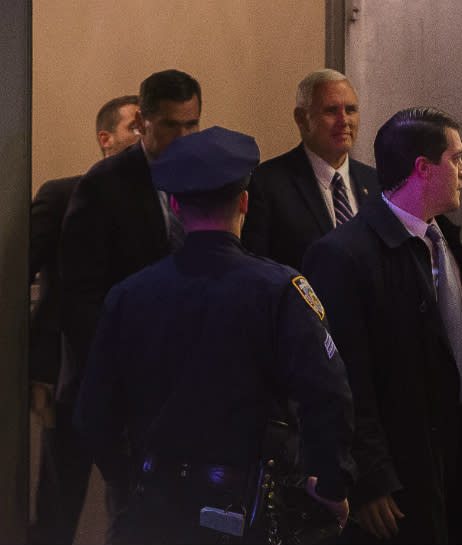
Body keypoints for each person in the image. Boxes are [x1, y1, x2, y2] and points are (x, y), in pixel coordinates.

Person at [73, 126, 355, 545]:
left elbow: (92, 414)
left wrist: (130, 476)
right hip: (248, 512)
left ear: (174, 205)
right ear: (244, 201)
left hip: (153, 509)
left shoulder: (128, 295)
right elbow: (327, 395)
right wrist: (332, 486)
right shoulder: (281, 290)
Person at [302, 107, 462, 544]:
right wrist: (369, 477)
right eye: (455, 159)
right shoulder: (344, 255)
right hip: (402, 476)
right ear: (423, 168)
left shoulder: (460, 246)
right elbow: (343, 381)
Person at [58, 69, 200, 541]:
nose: (182, 138)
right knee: (137, 517)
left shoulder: (204, 176)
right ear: (142, 122)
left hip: (192, 380)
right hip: (128, 385)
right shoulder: (104, 184)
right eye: (170, 126)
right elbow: (79, 295)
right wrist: (116, 371)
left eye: (191, 125)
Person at [28, 94, 139, 545]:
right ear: (105, 138)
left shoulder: (163, 201)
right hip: (70, 374)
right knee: (59, 499)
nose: (144, 131)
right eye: (135, 124)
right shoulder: (62, 194)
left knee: (134, 499)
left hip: (134, 376)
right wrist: (38, 374)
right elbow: (24, 279)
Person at [242, 68, 379, 270]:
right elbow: (257, 269)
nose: (344, 121)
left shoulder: (376, 182)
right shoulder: (267, 184)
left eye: (350, 110)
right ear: (301, 118)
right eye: (331, 110)